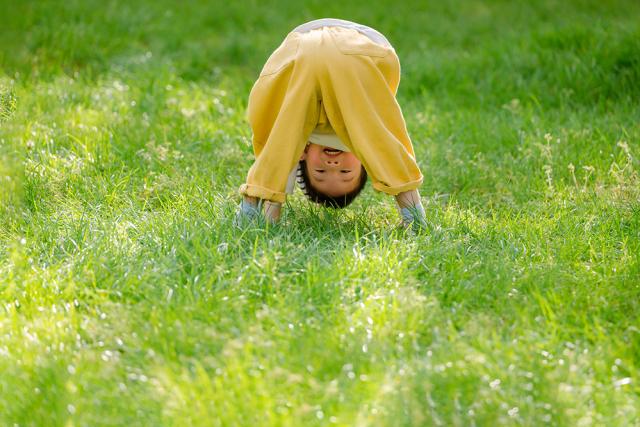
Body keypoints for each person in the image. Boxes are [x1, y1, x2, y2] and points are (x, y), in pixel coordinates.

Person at [236, 18, 427, 227]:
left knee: (280, 135)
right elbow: (387, 148)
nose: (333, 165)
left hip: (301, 51)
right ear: (365, 160)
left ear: (302, 155)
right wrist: (411, 211)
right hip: (360, 52)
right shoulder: (364, 135)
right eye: (345, 173)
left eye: (320, 172)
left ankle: (251, 208)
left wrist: (270, 216)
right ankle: (414, 216)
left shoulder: (298, 136)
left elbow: (279, 153)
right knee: (382, 140)